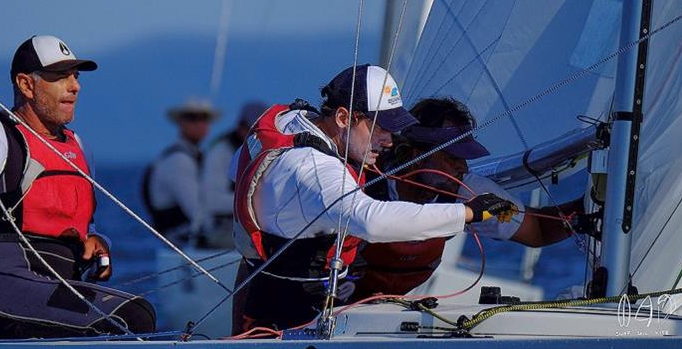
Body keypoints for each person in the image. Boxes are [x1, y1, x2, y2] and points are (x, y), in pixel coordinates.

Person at [229, 64, 518, 333]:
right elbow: (371, 221)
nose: (390, 141)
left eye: (392, 129)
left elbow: (235, 169)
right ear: (343, 118)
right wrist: (468, 213)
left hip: (262, 292)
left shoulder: (292, 121)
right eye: (379, 127)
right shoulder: (316, 168)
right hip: (286, 317)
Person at [0, 35, 156, 338]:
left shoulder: (78, 147)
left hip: (57, 294)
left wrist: (97, 239)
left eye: (75, 76)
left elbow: (81, 222)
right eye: (60, 77)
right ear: (26, 85)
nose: (75, 86)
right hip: (8, 298)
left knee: (136, 314)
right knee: (132, 316)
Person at [354, 97, 585, 299]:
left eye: (464, 158)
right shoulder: (364, 181)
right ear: (417, 156)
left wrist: (586, 208)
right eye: (453, 156)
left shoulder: (468, 191)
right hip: (334, 308)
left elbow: (537, 230)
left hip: (381, 313)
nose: (462, 166)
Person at [142, 98, 219, 244]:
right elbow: (197, 213)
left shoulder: (191, 155)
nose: (200, 124)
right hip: (181, 239)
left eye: (205, 119)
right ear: (181, 122)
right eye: (192, 118)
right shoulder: (179, 161)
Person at [201, 101, 267, 248]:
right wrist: (260, 202)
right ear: (240, 128)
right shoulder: (219, 153)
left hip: (258, 226)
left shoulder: (266, 151)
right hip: (224, 229)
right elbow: (213, 201)